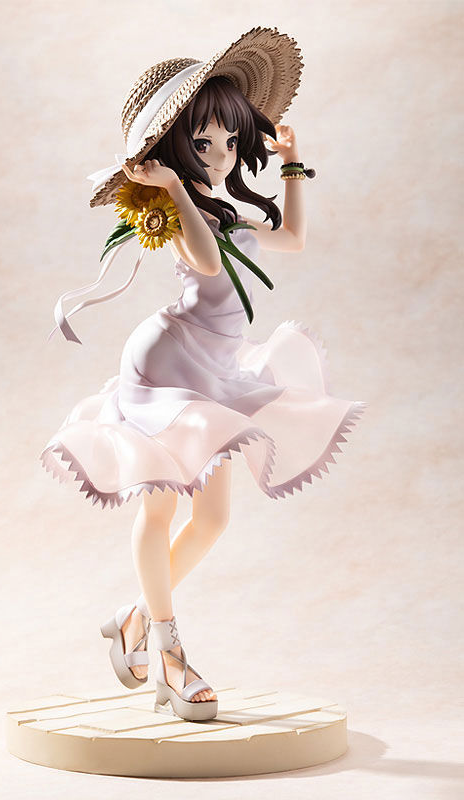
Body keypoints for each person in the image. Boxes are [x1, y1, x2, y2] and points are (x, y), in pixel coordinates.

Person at [40, 28, 366, 722]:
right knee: (159, 506)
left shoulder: (227, 213)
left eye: (229, 141)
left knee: (213, 517)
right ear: (171, 151)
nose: (220, 155)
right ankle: (167, 650)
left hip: (216, 365)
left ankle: (133, 617)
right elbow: (210, 262)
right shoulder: (175, 214)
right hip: (165, 365)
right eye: (202, 142)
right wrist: (171, 187)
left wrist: (293, 165)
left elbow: (294, 238)